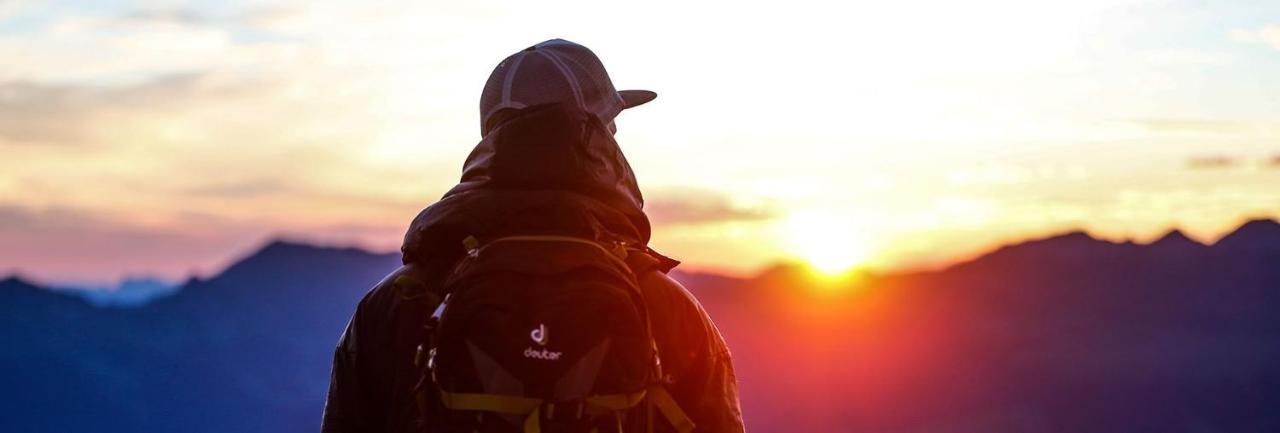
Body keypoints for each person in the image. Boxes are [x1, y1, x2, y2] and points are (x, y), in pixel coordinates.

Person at [320, 39, 744, 433]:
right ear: (593, 137)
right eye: (611, 126)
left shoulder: (399, 303)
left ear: (491, 137)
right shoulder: (665, 308)